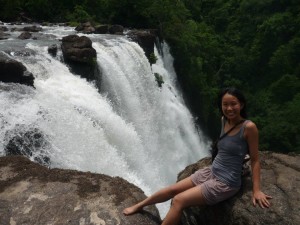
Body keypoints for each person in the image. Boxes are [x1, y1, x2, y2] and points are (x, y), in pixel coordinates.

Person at [123, 87, 272, 225]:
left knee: (178, 200)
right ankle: (140, 205)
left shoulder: (249, 128)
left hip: (226, 182)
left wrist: (256, 190)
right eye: (225, 104)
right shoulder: (224, 120)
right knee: (172, 189)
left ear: (242, 105)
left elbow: (255, 160)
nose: (229, 108)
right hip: (212, 171)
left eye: (233, 104)